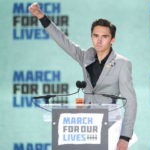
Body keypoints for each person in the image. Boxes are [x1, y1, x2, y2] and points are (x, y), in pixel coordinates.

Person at [29, 2, 137, 150]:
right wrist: (42, 17)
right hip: (86, 128)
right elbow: (63, 41)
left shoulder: (122, 64)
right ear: (91, 36)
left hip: (111, 129)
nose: (99, 40)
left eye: (104, 36)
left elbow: (131, 102)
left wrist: (125, 137)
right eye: (95, 35)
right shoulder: (86, 56)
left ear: (112, 39)